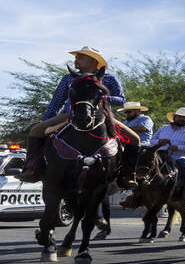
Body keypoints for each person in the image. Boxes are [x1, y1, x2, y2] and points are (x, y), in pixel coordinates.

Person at [18, 46, 137, 183]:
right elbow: (57, 101)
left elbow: (121, 100)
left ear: (93, 60)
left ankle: (127, 175)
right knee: (36, 131)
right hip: (69, 115)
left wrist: (101, 98)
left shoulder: (109, 78)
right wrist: (45, 120)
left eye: (80, 57)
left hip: (102, 117)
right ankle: (31, 169)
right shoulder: (68, 78)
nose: (76, 59)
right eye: (76, 57)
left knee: (135, 139)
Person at [150, 107, 185, 211]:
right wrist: (160, 142)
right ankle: (136, 193)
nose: (181, 119)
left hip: (179, 157)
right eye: (179, 117)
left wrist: (178, 147)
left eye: (184, 118)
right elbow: (152, 140)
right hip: (160, 155)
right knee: (143, 166)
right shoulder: (163, 128)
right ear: (174, 117)